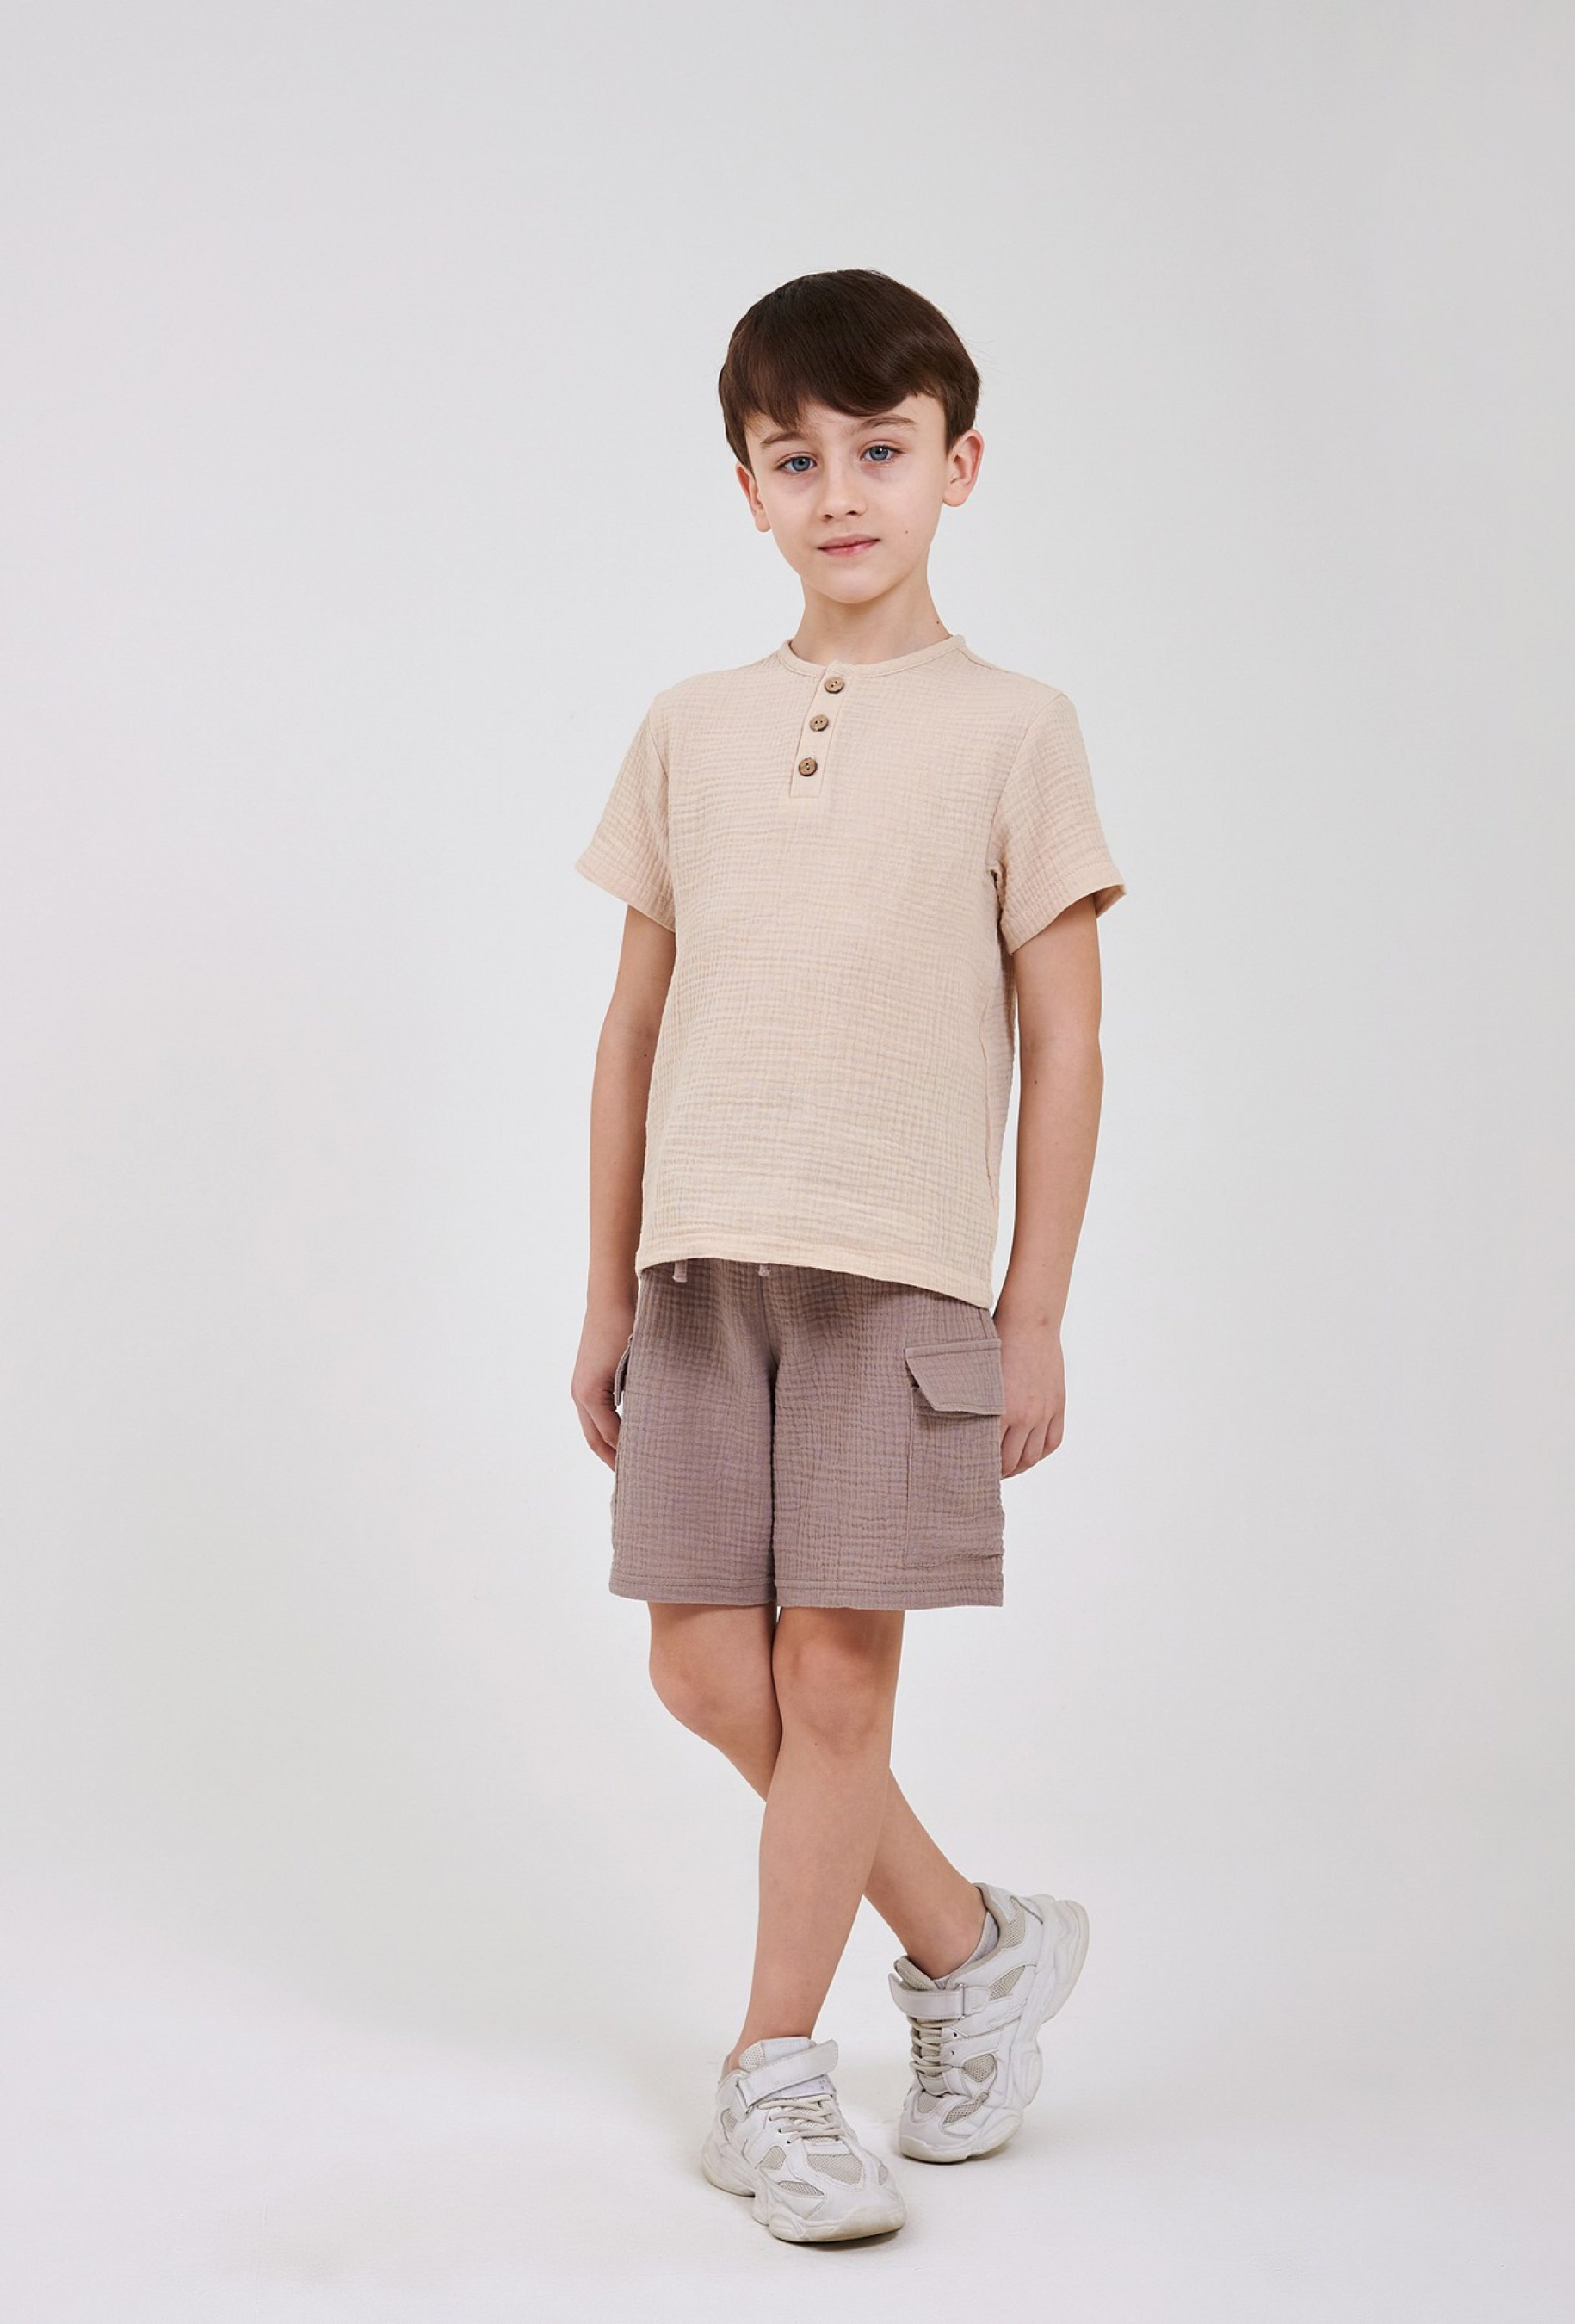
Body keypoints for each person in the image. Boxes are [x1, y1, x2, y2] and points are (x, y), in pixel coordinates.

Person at [569, 269, 1127, 2244]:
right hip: (696, 1274)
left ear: (956, 465)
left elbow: (1065, 1037)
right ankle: (972, 1947)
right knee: (703, 1668)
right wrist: (601, 1287)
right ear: (745, 488)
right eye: (791, 458)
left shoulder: (1016, 731)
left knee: (831, 1678)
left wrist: (1031, 1307)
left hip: (898, 1278)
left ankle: (773, 2072)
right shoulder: (687, 728)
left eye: (878, 450)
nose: (838, 492)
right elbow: (631, 1023)